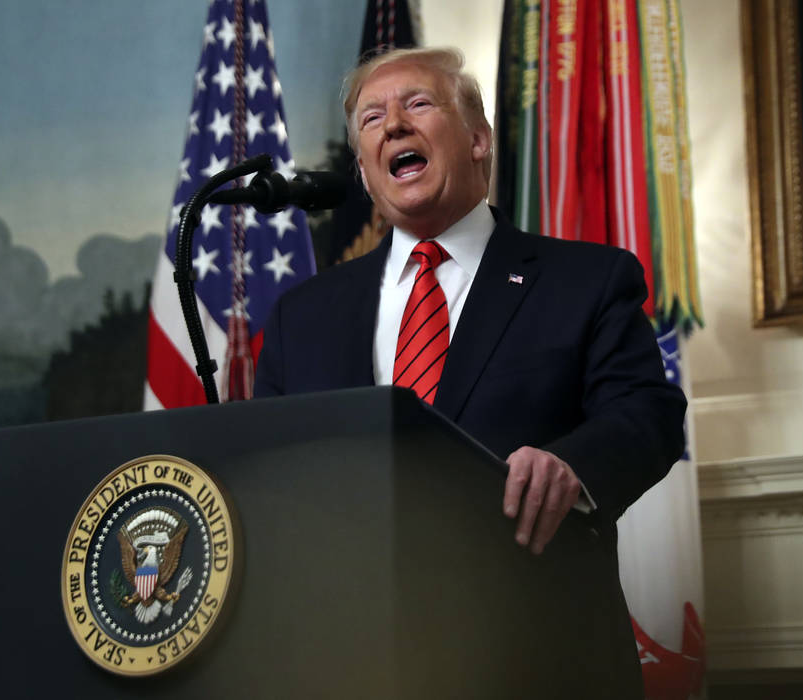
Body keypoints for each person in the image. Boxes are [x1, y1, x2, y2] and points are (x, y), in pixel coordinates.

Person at [254, 47, 686, 695]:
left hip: (535, 656)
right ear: (368, 175)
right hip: (349, 664)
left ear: (479, 139)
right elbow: (270, 477)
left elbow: (648, 415)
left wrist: (573, 464)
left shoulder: (585, 280)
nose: (393, 125)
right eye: (372, 119)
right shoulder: (301, 316)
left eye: (418, 104)